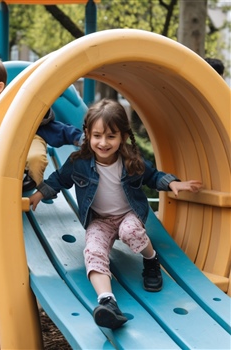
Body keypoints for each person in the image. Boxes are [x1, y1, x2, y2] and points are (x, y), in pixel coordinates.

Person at [29, 98, 202, 330]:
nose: (103, 142)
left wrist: (172, 184)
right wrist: (39, 193)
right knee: (92, 250)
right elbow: (59, 179)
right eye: (97, 136)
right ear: (88, 134)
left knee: (130, 231)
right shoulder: (79, 162)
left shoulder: (130, 160)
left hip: (127, 215)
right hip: (99, 220)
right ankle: (107, 303)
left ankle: (151, 260)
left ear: (122, 136)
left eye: (111, 136)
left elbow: (153, 176)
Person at [0, 57, 83, 188]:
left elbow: (47, 120)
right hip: (3, 144)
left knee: (36, 159)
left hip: (30, 138)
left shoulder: (19, 101)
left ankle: (32, 181)